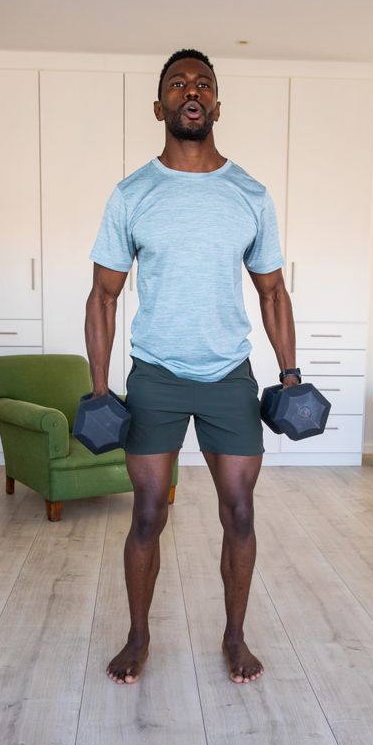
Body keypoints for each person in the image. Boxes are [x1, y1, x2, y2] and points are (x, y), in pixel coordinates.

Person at [85, 48, 300, 686]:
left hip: (229, 374)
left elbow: (272, 292)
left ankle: (235, 636)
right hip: (155, 374)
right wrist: (100, 390)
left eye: (203, 83)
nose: (191, 90)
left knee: (239, 513)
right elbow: (103, 294)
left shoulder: (249, 194)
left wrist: (289, 374)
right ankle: (138, 635)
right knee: (148, 513)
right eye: (178, 83)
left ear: (216, 105)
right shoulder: (133, 194)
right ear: (160, 107)